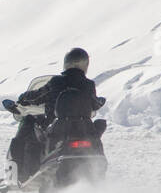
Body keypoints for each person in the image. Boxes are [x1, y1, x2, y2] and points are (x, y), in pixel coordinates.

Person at [8, 47, 104, 183]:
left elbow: (38, 96)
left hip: (58, 129)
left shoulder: (57, 82)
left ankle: (24, 173)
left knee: (30, 126)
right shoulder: (89, 84)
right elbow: (94, 104)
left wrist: (25, 97)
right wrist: (99, 101)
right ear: (85, 65)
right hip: (83, 129)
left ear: (67, 63)